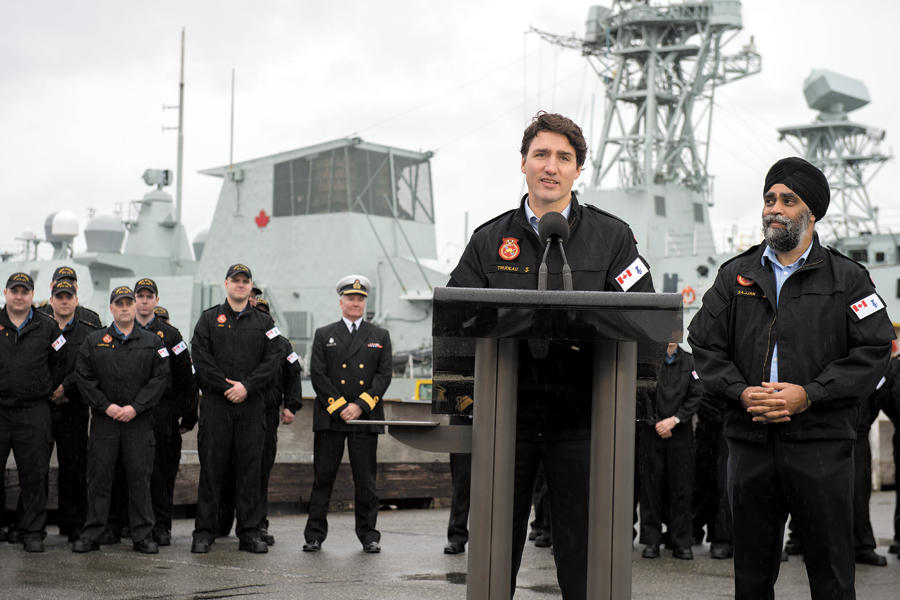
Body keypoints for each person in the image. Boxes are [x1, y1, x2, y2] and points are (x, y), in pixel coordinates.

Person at [447, 111, 654, 599]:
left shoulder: (613, 238)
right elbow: (454, 325)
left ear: (578, 170)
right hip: (504, 423)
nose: (551, 166)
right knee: (494, 560)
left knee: (583, 564)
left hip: (584, 422)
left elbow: (645, 324)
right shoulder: (488, 240)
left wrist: (634, 410)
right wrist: (464, 408)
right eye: (541, 154)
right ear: (523, 163)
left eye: (564, 157)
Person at [688, 157, 894, 599]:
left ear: (812, 212)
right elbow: (704, 344)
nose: (774, 208)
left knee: (832, 575)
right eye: (769, 199)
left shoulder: (849, 279)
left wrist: (811, 394)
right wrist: (741, 393)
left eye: (788, 199)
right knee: (752, 577)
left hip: (820, 444)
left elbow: (874, 349)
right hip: (751, 443)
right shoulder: (734, 276)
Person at [190, 264, 281, 554]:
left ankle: (250, 533)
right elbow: (201, 359)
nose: (240, 285)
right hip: (217, 405)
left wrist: (247, 386)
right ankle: (204, 533)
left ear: (251, 285)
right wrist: (227, 387)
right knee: (212, 471)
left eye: (245, 281)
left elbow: (274, 358)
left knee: (250, 473)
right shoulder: (207, 320)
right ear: (226, 284)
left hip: (251, 407)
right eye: (236, 281)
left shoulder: (266, 323)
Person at [72, 286, 170, 554]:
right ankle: (92, 533)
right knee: (100, 478)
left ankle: (143, 535)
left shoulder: (153, 342)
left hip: (138, 422)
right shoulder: (93, 341)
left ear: (136, 306)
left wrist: (136, 408)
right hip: (106, 423)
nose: (125, 307)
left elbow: (160, 378)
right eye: (120, 303)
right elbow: (84, 377)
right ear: (111, 308)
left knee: (140, 478)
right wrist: (107, 406)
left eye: (130, 302)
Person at [303, 275, 392, 554]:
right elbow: (317, 374)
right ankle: (314, 535)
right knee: (323, 480)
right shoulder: (323, 334)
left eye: (361, 299)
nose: (356, 303)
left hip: (364, 418)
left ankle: (369, 535)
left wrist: (360, 406)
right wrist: (340, 405)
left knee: (366, 482)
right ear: (341, 302)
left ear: (366, 303)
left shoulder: (380, 335)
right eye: (351, 298)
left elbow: (383, 375)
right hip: (331, 418)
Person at [0, 273, 64, 552]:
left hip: (34, 409)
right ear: (5, 293)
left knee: (35, 473)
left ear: (31, 294)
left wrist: (53, 386)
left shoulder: (48, 326)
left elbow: (62, 360)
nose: (19, 296)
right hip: (0, 409)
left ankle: (33, 531)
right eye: (14, 290)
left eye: (24, 291)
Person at [132, 278, 198, 546]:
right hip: (131, 413)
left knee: (161, 473)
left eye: (150, 296)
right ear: (134, 299)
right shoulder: (122, 330)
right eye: (141, 296)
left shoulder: (171, 336)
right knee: (131, 471)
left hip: (163, 414)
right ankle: (129, 524)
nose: (145, 300)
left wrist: (187, 412)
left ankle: (160, 526)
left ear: (156, 300)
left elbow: (187, 377)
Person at [47, 279, 101, 542]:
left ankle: (74, 523)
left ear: (76, 300)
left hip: (75, 407)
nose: (64, 301)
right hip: (43, 406)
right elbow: (31, 361)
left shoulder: (89, 329)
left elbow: (91, 366)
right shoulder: (40, 326)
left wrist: (65, 387)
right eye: (60, 296)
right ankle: (28, 524)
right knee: (35, 468)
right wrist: (50, 389)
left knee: (74, 468)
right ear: (51, 300)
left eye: (69, 296)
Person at [639, 342, 701, 560]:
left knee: (681, 489)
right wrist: (656, 422)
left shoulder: (690, 362)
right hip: (652, 432)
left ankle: (681, 542)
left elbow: (696, 395)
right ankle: (651, 541)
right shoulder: (648, 361)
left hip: (680, 434)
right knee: (650, 488)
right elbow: (642, 393)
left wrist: (674, 420)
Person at [254, 297, 303, 546]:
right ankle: (220, 523)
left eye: (265, 313)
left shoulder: (282, 345)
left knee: (261, 472)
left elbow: (293, 374)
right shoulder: (240, 340)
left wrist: (291, 406)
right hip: (237, 414)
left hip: (267, 415)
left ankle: (258, 524)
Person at [38, 266, 102, 327]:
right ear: (51, 286)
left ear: (76, 287)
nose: (65, 285)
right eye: (60, 282)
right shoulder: (37, 317)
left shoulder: (91, 319)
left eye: (70, 282)